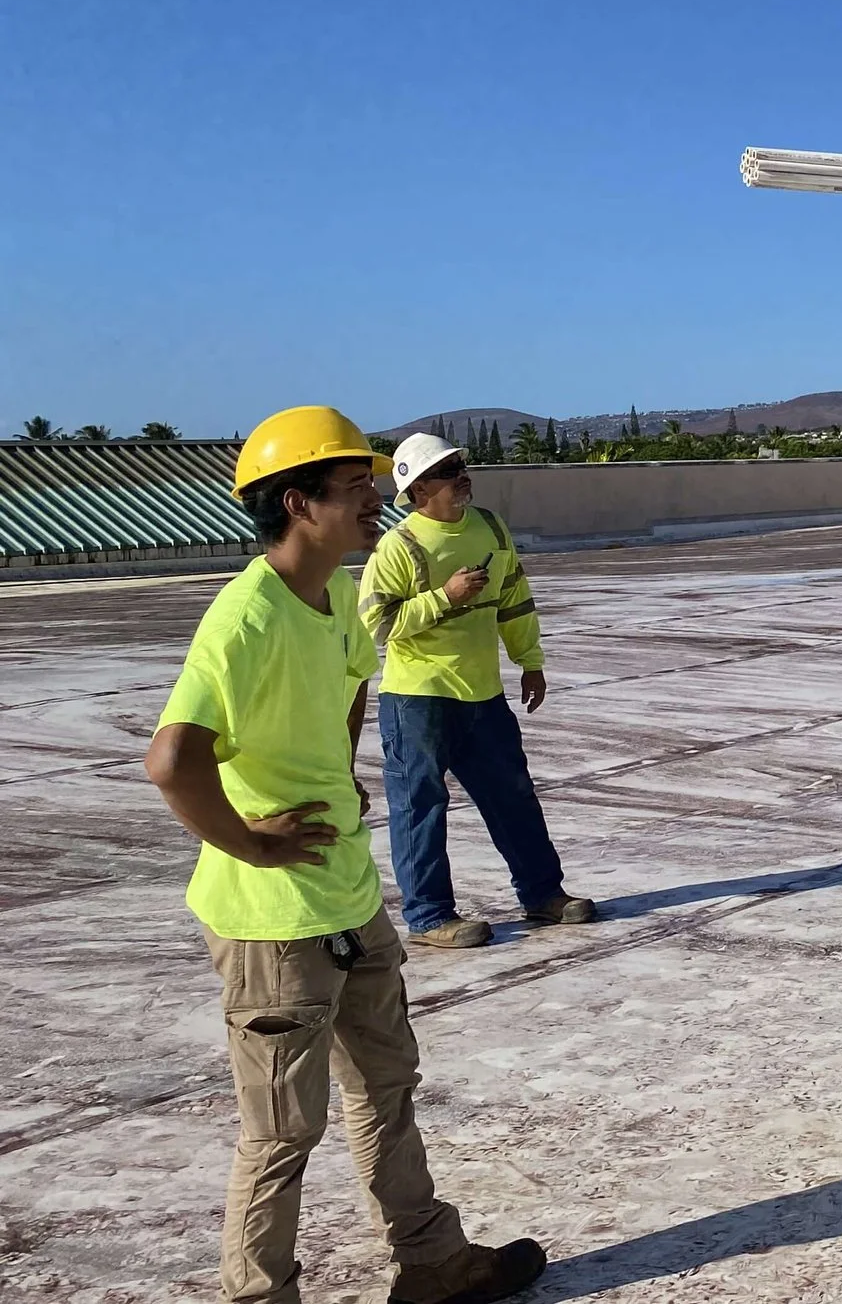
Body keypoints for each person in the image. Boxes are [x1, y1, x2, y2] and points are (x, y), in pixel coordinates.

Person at [144, 406, 544, 1304]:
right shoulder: (247, 618)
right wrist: (251, 842)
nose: (376, 501)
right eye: (356, 487)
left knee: (386, 1087)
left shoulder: (331, 600)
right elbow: (171, 760)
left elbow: (357, 676)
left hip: (350, 899)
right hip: (274, 925)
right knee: (283, 1132)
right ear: (298, 502)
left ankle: (433, 1263)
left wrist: (339, 768)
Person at [358, 433, 593, 948]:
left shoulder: (489, 526)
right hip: (418, 700)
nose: (461, 476)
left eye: (460, 466)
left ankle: (543, 894)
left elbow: (515, 597)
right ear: (418, 489)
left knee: (513, 798)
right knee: (420, 808)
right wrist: (445, 596)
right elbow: (377, 624)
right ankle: (429, 917)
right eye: (447, 471)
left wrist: (530, 661)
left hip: (483, 695)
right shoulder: (399, 546)